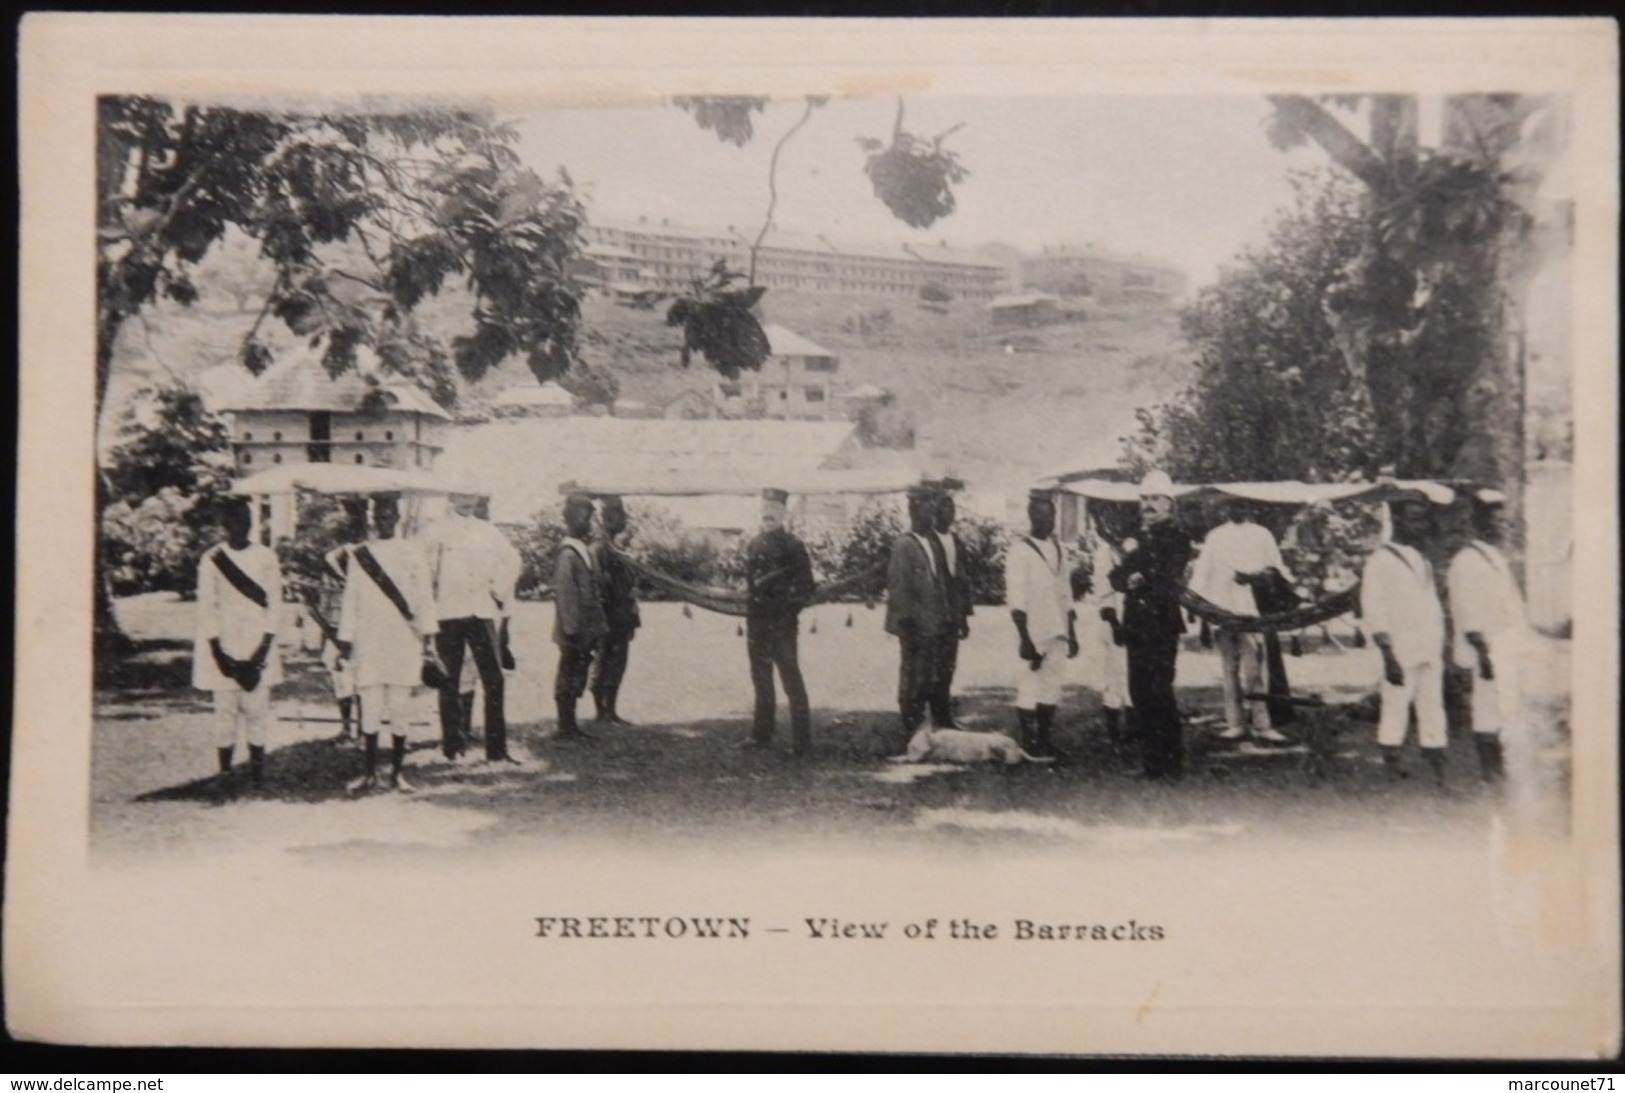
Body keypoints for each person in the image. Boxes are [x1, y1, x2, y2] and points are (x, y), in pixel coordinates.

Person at [338, 493, 439, 794]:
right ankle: (369, 774)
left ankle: (397, 774)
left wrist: (429, 642)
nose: (383, 520)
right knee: (369, 709)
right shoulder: (360, 555)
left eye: (389, 515)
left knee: (399, 710)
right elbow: (350, 600)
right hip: (368, 642)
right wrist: (345, 640)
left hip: (402, 642)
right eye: (378, 515)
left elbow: (424, 601)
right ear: (372, 519)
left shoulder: (412, 553)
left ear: (398, 518)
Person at [193, 496, 283, 794]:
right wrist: (220, 655)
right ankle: (226, 774)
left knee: (257, 712)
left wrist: (261, 652)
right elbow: (207, 608)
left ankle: (257, 775)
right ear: (224, 524)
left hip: (258, 644)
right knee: (225, 713)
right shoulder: (212, 559)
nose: (241, 525)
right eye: (234, 520)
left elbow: (275, 607)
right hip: (224, 647)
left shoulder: (266, 557)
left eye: (246, 519)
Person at [1109, 471, 1193, 781]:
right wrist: (1127, 578)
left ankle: (1171, 764)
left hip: (1161, 624)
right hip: (1135, 623)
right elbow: (1115, 576)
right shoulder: (1136, 536)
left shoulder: (1178, 537)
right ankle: (1152, 763)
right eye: (1144, 499)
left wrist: (1139, 578)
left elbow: (1169, 575)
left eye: (1155, 499)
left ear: (1170, 505)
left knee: (1160, 691)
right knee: (1139, 692)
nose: (1149, 505)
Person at [1188, 497, 1293, 744]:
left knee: (1256, 669)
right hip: (1222, 609)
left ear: (1249, 509)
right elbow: (1202, 572)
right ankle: (1235, 722)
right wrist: (1198, 608)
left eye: (1243, 506)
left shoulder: (1262, 534)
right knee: (1229, 668)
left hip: (1252, 609)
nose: (1238, 510)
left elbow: (1276, 568)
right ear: (1226, 509)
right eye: (1233, 506)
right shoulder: (1215, 536)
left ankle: (1262, 724)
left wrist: (1256, 577)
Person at [1360, 495, 1448, 786]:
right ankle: (1391, 771)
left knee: (1432, 706)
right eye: (1414, 519)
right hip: (1400, 649)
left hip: (1428, 647)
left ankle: (1438, 769)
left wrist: (1439, 643)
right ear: (1397, 521)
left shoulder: (1420, 559)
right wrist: (1388, 654)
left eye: (1422, 519)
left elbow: (1431, 604)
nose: (1420, 526)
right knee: (1396, 706)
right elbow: (1374, 609)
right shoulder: (1380, 560)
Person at [429, 484, 520, 764]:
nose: (467, 501)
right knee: (449, 680)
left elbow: (513, 560)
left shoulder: (487, 531)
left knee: (494, 679)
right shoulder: (436, 531)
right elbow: (423, 568)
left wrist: (497, 589)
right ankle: (452, 748)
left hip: (481, 612)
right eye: (461, 495)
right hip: (449, 613)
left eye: (472, 496)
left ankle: (497, 750)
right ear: (450, 497)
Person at [1447, 488, 1528, 783]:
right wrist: (1483, 652)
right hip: (1487, 645)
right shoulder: (1466, 560)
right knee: (1486, 709)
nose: (1499, 525)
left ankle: (1502, 768)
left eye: (1502, 519)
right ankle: (1489, 772)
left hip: (1507, 642)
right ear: (1478, 522)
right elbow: (1466, 608)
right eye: (1492, 519)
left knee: (1506, 707)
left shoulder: (1494, 556)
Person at [1003, 488, 1078, 758]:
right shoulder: (1019, 551)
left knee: (1052, 685)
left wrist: (1073, 631)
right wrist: (1024, 638)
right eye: (1042, 515)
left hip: (1058, 628)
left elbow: (1066, 592)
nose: (1048, 521)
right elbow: (1017, 597)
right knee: (1029, 684)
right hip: (1034, 629)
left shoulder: (1059, 549)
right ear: (1031, 515)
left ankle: (1044, 739)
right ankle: (1028, 741)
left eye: (1052, 515)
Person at [742, 487, 816, 756]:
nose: (768, 513)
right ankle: (762, 734)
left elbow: (807, 588)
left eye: (774, 509)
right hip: (757, 622)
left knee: (791, 679)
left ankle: (802, 741)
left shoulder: (794, 547)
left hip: (782, 624)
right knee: (760, 679)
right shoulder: (753, 544)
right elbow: (750, 585)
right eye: (765, 508)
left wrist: (786, 608)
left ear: (784, 513)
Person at [886, 486, 952, 747]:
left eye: (933, 510)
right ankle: (910, 724)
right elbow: (898, 586)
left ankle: (922, 724)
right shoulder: (904, 544)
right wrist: (906, 622)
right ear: (914, 512)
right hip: (913, 625)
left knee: (928, 674)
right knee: (912, 674)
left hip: (933, 623)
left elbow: (939, 583)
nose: (931, 516)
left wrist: (944, 615)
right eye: (926, 510)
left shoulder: (933, 543)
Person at [551, 492, 607, 742]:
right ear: (572, 519)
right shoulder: (568, 553)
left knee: (578, 673)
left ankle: (571, 724)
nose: (589, 523)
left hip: (585, 626)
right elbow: (565, 594)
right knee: (569, 672)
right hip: (573, 628)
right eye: (585, 518)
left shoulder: (583, 550)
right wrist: (572, 629)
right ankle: (565, 725)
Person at [1081, 519, 1133, 754]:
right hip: (1114, 617)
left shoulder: (1134, 545)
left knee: (1135, 671)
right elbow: (1104, 592)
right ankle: (1114, 733)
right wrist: (1114, 623)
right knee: (1114, 672)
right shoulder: (1104, 553)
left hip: (1137, 615)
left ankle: (1135, 728)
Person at [589, 495, 641, 726]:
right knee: (606, 660)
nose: (622, 520)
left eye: (622, 514)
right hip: (609, 616)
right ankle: (602, 711)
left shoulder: (617, 548)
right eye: (616, 515)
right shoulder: (601, 550)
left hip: (623, 615)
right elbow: (601, 585)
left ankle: (611, 710)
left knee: (617, 662)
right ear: (605, 519)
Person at [930, 487, 975, 728]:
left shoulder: (956, 541)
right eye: (944, 508)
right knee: (932, 667)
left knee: (948, 666)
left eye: (952, 508)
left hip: (953, 614)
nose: (949, 513)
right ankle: (933, 717)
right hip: (934, 614)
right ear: (935, 512)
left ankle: (945, 716)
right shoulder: (928, 540)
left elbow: (963, 579)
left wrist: (965, 616)